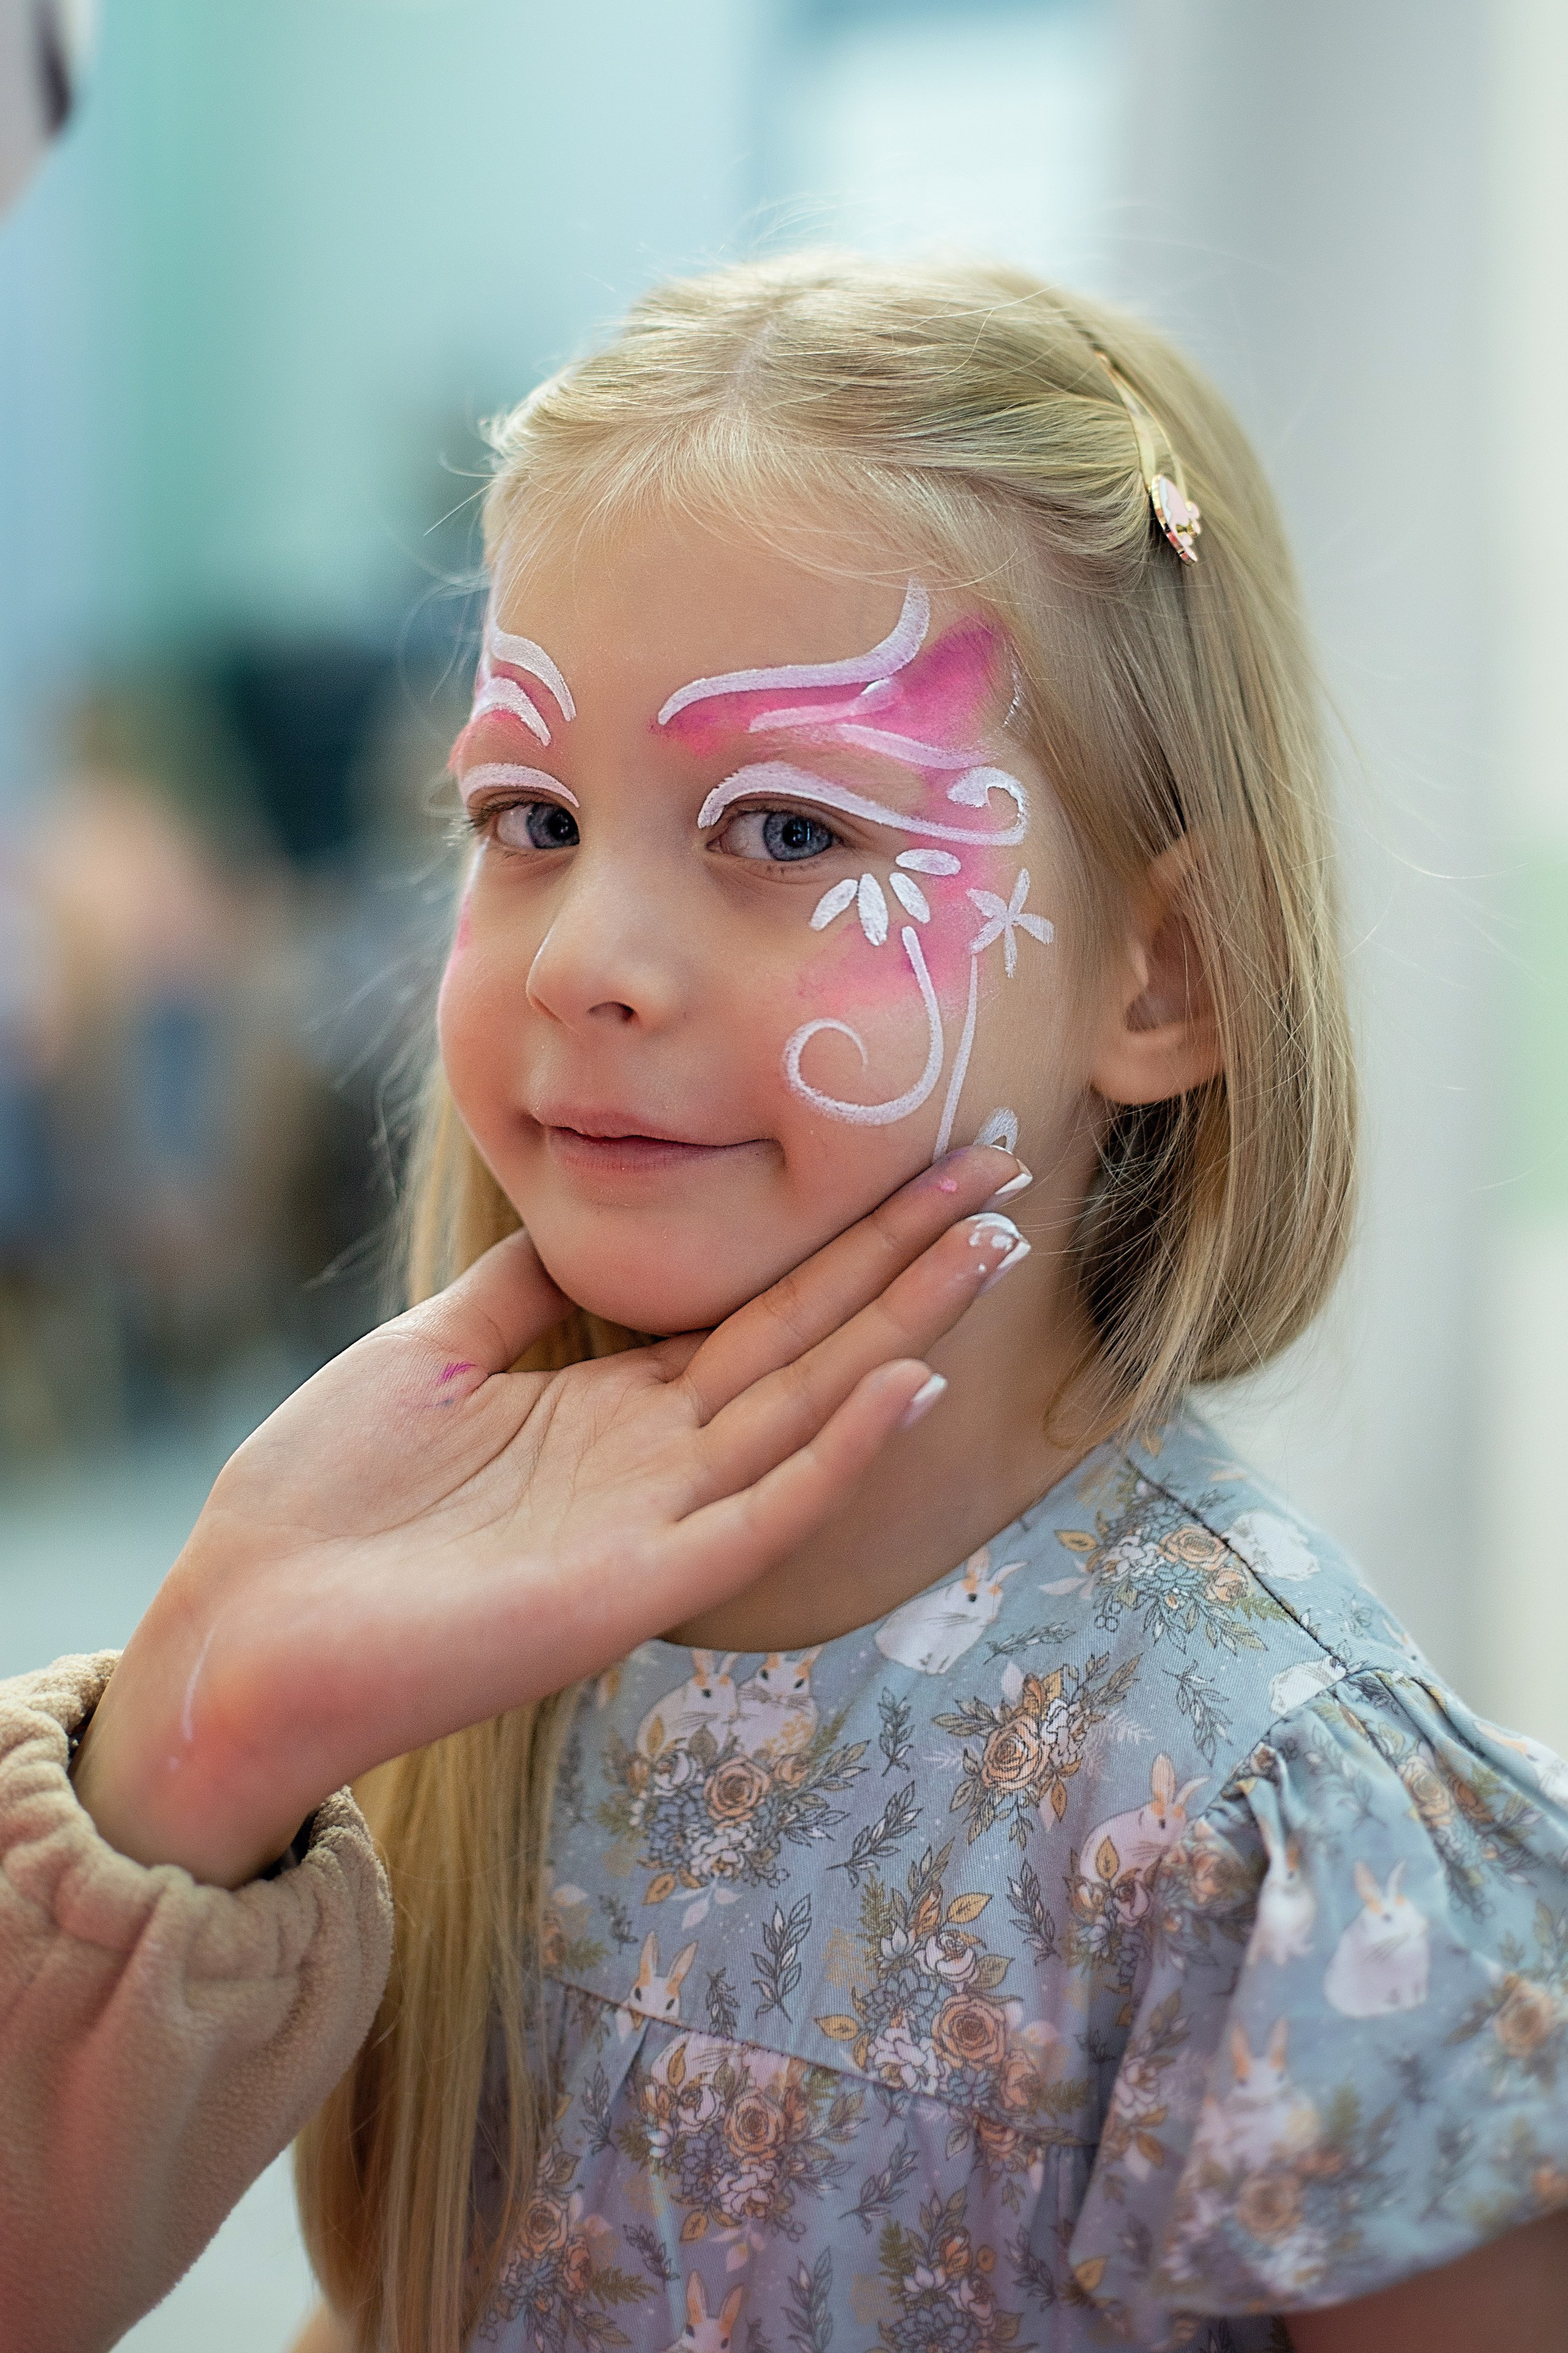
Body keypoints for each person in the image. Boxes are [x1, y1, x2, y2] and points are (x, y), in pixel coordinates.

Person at [7, 249, 1568, 2353]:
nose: (586, 956)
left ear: (1164, 975)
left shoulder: (1275, 1830)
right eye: (531, 817)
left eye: (785, 827)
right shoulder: (458, 1663)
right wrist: (205, 1721)